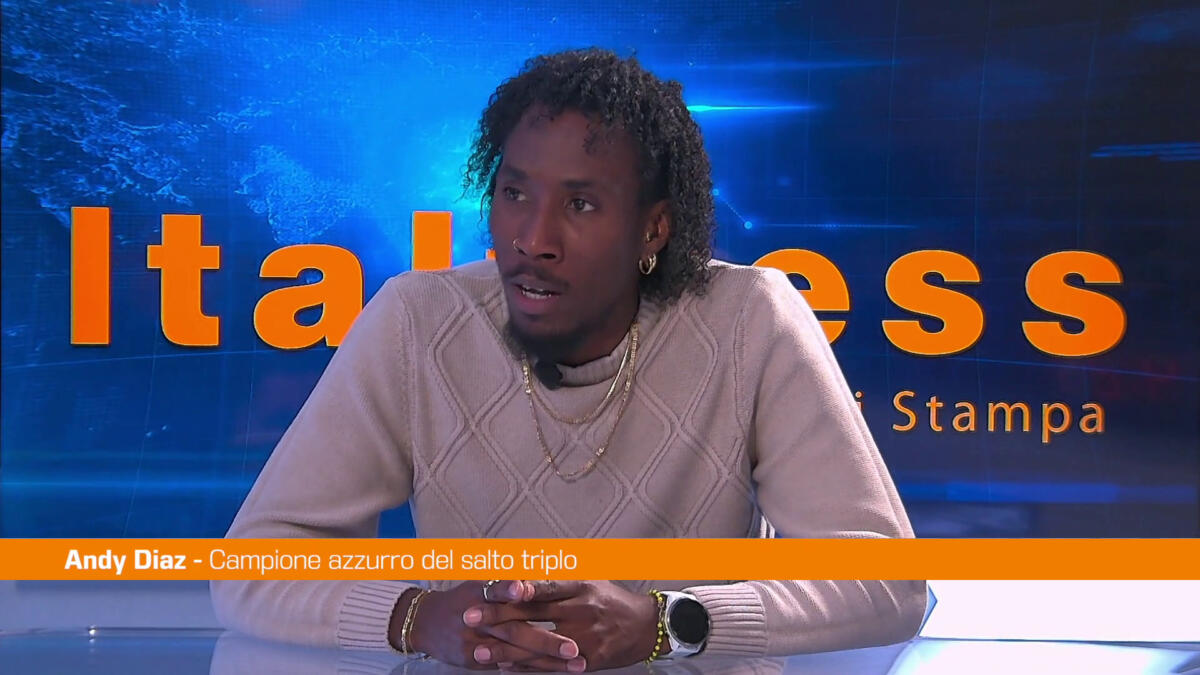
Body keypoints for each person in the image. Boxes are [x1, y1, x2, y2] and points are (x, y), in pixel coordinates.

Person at [211, 48, 926, 671]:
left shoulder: (750, 321)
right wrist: (417, 618)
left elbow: (887, 582)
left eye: (580, 204)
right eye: (514, 193)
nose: (533, 238)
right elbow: (251, 567)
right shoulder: (416, 320)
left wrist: (664, 624)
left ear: (654, 228)